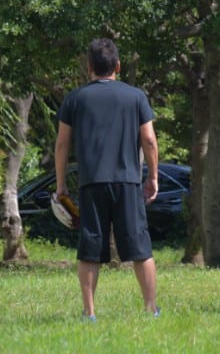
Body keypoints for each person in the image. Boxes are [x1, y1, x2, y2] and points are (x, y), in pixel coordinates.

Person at [54, 38, 160, 321]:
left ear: (89, 67)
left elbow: (62, 144)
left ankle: (89, 313)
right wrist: (153, 176)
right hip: (127, 181)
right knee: (140, 246)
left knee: (90, 249)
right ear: (118, 66)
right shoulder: (136, 97)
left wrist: (61, 184)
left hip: (92, 183)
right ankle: (151, 309)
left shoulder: (74, 99)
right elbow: (149, 140)